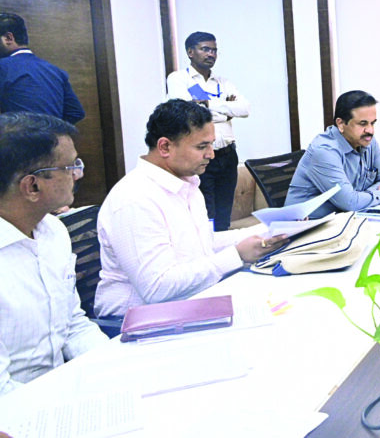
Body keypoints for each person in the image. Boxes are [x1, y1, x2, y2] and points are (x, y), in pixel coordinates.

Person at [95, 100, 286, 317]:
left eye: (211, 145)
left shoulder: (187, 183)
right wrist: (237, 255)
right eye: (202, 147)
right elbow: (157, 288)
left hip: (190, 303)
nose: (211, 154)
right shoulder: (134, 198)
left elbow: (202, 244)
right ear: (165, 147)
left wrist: (271, 230)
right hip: (139, 320)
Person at [0, 112, 107, 395]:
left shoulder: (54, 231)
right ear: (32, 186)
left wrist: (111, 367)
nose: (77, 174)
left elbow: (73, 325)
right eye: (70, 166)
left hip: (64, 388)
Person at [166, 31, 250, 231]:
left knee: (224, 213)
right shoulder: (180, 79)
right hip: (201, 157)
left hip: (227, 155)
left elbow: (245, 109)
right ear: (190, 52)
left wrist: (208, 104)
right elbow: (188, 113)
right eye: (205, 49)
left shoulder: (223, 83)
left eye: (214, 50)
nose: (211, 54)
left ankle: (223, 248)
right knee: (205, 213)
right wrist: (226, 113)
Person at [286, 90, 380, 217]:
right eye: (363, 123)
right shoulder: (324, 151)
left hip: (346, 218)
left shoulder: (367, 141)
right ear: (341, 124)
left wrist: (362, 196)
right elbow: (350, 203)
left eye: (372, 123)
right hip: (307, 224)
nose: (370, 130)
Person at [0, 12, 85, 124]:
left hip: (18, 134)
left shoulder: (3, 67)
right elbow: (75, 112)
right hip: (54, 134)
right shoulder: (55, 70)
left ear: (8, 38)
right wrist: (48, 128)